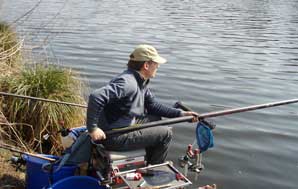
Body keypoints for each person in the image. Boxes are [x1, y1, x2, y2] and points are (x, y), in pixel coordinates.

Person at [86, 44, 198, 165]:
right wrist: (93, 128)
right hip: (114, 136)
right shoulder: (128, 83)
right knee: (166, 133)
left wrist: (182, 114)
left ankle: (148, 162)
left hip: (123, 124)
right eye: (156, 63)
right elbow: (96, 96)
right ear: (146, 65)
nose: (158, 66)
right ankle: (154, 170)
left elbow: (153, 106)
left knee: (155, 119)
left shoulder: (139, 80)